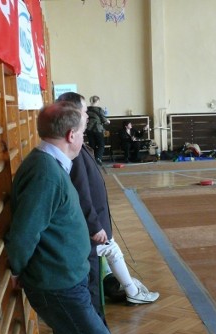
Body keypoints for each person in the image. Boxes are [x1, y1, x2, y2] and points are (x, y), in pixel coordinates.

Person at [6, 102, 155, 334]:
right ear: (71, 135)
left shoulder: (53, 164)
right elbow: (26, 232)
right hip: (56, 283)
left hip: (64, 278)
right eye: (83, 132)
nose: (84, 137)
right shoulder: (45, 172)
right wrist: (16, 268)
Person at [58, 93, 159, 320]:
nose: (87, 116)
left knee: (102, 268)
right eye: (84, 112)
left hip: (95, 225)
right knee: (92, 287)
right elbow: (81, 194)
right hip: (89, 233)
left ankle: (127, 293)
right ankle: (124, 300)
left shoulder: (80, 147)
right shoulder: (73, 152)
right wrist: (94, 226)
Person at [86, 95, 110, 164]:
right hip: (97, 129)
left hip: (89, 129)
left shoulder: (87, 109)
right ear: (97, 101)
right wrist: (108, 121)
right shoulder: (99, 109)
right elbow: (104, 120)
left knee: (92, 145)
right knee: (101, 145)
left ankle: (92, 159)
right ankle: (98, 158)